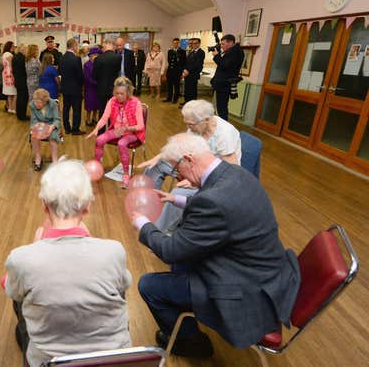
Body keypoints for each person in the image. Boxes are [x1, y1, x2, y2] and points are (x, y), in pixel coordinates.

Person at [131, 133, 300, 358]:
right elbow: (223, 207)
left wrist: (143, 225)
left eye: (176, 170)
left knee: (149, 285)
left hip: (247, 290)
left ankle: (190, 343)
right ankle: (186, 313)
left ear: (189, 160)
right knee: (182, 265)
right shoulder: (236, 173)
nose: (180, 177)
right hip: (267, 274)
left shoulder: (213, 201)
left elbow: (171, 251)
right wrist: (177, 199)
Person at [4, 159, 132, 367]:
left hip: (49, 362)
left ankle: (25, 336)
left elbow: (12, 289)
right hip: (113, 361)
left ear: (44, 205)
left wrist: (36, 248)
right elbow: (122, 287)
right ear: (88, 206)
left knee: (21, 292)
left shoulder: (21, 258)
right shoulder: (114, 250)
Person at [139, 100, 241, 232]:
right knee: (157, 166)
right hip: (192, 166)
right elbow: (181, 148)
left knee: (178, 193)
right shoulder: (197, 127)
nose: (188, 127)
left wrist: (196, 180)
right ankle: (149, 208)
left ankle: (158, 233)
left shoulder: (224, 134)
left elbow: (230, 172)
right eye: (186, 123)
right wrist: (158, 157)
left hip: (214, 180)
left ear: (206, 120)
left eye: (190, 124)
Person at [86, 77, 144, 189]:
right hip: (117, 131)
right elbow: (104, 118)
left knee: (122, 143)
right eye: (117, 93)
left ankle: (126, 173)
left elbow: (140, 126)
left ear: (128, 92)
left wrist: (127, 128)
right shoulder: (112, 101)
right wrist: (96, 129)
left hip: (132, 133)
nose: (119, 96)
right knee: (99, 139)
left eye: (122, 93)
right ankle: (96, 166)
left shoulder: (136, 103)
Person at [211, 34, 244, 121]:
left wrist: (216, 56)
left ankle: (224, 130)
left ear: (230, 43)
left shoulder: (235, 52)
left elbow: (224, 65)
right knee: (221, 108)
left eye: (223, 44)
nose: (221, 46)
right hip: (223, 84)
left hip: (224, 84)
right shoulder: (232, 51)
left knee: (222, 109)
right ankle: (221, 128)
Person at [29, 89, 61, 171]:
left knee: (53, 136)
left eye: (39, 103)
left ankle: (54, 159)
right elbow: (33, 120)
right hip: (39, 126)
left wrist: (51, 127)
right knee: (33, 136)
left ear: (45, 102)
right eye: (35, 102)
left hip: (51, 126)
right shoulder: (32, 105)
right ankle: (38, 158)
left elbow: (57, 119)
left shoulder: (53, 104)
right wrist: (36, 126)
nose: (36, 104)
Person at [58, 38, 84, 135]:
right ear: (73, 46)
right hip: (75, 88)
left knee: (66, 108)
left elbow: (60, 72)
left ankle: (67, 128)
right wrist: (81, 86)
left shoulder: (62, 58)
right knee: (76, 109)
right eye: (77, 46)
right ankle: (75, 129)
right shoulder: (76, 59)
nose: (77, 48)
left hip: (65, 88)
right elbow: (80, 75)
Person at [93, 40, 121, 121]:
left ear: (105, 47)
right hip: (113, 88)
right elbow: (118, 71)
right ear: (112, 46)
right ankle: (111, 130)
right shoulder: (118, 58)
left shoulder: (98, 59)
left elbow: (94, 76)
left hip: (101, 88)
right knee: (113, 110)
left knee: (102, 110)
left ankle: (101, 131)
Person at [181, 38, 205, 106]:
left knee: (192, 90)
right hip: (187, 74)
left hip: (193, 74)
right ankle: (186, 102)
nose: (193, 45)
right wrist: (185, 70)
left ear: (199, 44)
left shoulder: (201, 52)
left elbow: (197, 64)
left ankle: (192, 104)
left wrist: (188, 71)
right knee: (187, 89)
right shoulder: (191, 51)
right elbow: (186, 62)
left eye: (195, 43)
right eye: (192, 43)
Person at [83, 46, 100, 126]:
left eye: (97, 54)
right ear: (90, 55)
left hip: (97, 88)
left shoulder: (99, 64)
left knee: (96, 104)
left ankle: (94, 118)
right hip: (89, 87)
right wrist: (96, 83)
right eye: (95, 54)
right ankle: (88, 119)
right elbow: (87, 77)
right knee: (89, 104)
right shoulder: (86, 64)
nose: (96, 56)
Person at [165, 38, 186, 103]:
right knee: (169, 85)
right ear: (172, 43)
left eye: (177, 43)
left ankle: (175, 99)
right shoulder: (170, 51)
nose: (175, 44)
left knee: (176, 86)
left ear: (179, 43)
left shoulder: (182, 51)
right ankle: (169, 98)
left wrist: (182, 72)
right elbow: (169, 60)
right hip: (170, 70)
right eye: (174, 43)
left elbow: (183, 62)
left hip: (177, 71)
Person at [13, 44, 29, 120]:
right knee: (23, 99)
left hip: (17, 80)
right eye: (26, 49)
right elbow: (25, 70)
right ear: (22, 49)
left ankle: (19, 114)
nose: (27, 51)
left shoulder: (15, 57)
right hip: (23, 81)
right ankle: (22, 115)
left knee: (19, 98)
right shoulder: (23, 58)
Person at [1, 41, 16, 113]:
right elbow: (11, 65)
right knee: (12, 92)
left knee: (9, 93)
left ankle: (10, 108)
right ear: (9, 47)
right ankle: (13, 108)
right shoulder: (9, 54)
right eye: (13, 46)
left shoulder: (4, 54)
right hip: (9, 74)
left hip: (6, 73)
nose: (14, 47)